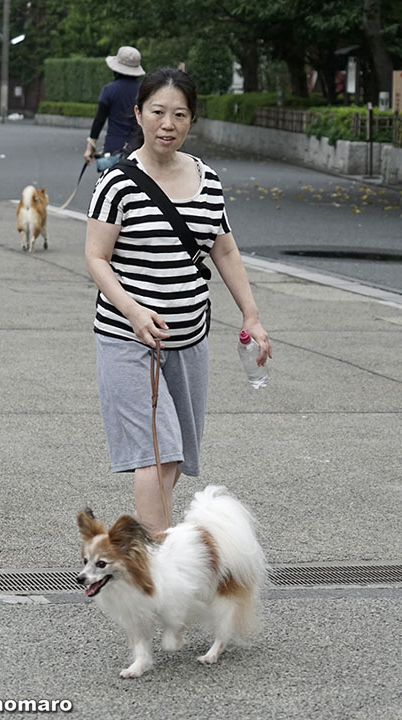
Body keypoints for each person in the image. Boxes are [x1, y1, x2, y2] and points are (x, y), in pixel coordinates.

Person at [85, 67, 272, 535]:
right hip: (129, 339)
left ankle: (146, 550)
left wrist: (251, 314)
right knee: (156, 454)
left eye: (180, 115)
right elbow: (95, 258)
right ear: (138, 114)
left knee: (174, 458)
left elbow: (224, 249)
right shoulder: (116, 183)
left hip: (189, 339)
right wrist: (133, 311)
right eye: (158, 112)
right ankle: (159, 560)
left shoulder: (207, 179)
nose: (168, 124)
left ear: (192, 120)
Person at [84, 46, 145, 166]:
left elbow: (99, 120)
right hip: (139, 148)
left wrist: (90, 147)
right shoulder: (144, 90)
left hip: (113, 148)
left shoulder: (109, 90)